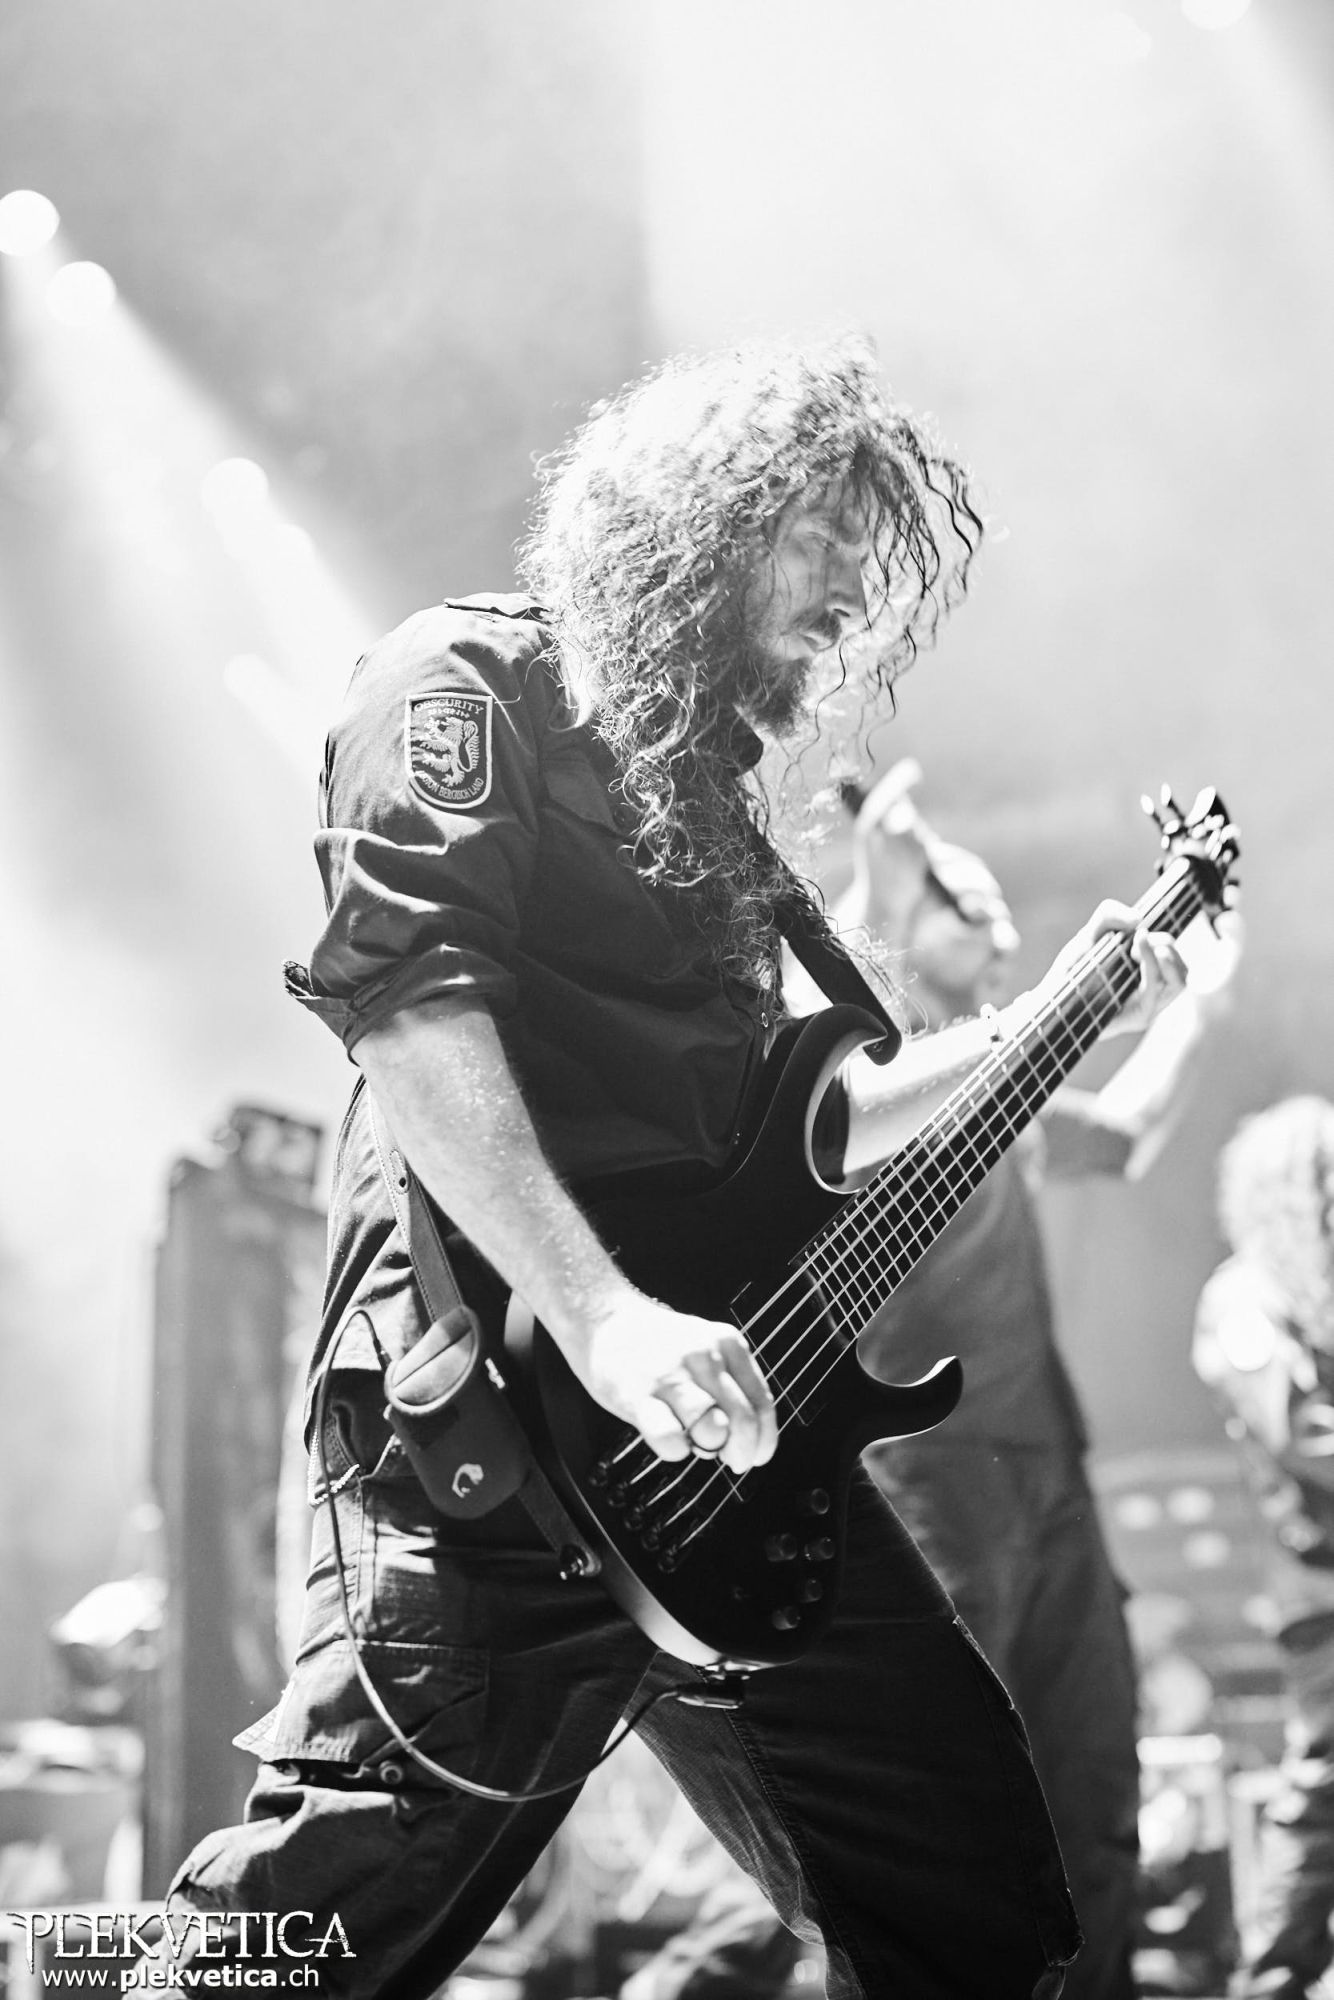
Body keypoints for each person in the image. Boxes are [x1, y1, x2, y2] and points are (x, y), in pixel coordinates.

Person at [160, 336, 1186, 2000]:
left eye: (866, 555)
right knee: (301, 1942)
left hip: (726, 1453)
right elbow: (408, 1009)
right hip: (500, 1428)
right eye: (816, 532)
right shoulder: (461, 680)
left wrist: (1046, 1020)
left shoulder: (706, 809)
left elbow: (817, 1125)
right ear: (693, 519)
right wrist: (603, 1318)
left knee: (975, 1900)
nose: (849, 589)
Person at [836, 762, 1239, 2000]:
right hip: (930, 1490)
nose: (993, 907)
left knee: (1093, 1804)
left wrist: (1199, 1006)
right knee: (945, 1835)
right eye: (958, 893)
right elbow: (825, 1042)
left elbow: (1115, 1136)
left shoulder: (999, 1083)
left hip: (1047, 1478)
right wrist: (871, 891)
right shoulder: (874, 1072)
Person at [1192, 1097, 1334, 2000]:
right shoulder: (1244, 1297)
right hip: (1323, 1589)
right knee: (1325, 1789)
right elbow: (1297, 1428)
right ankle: (1273, 1980)